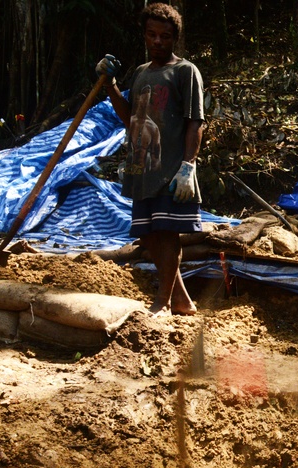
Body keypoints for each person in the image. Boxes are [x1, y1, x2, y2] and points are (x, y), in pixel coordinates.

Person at [96, 3, 204, 316]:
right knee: (148, 234)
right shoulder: (141, 73)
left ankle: (164, 301)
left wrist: (188, 166)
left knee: (167, 233)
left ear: (175, 38)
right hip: (142, 166)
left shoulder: (185, 72)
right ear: (144, 35)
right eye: (152, 35)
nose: (157, 41)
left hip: (170, 168)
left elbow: (196, 122)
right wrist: (111, 84)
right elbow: (130, 118)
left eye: (165, 36)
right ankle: (182, 299)